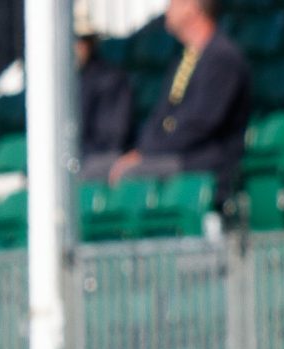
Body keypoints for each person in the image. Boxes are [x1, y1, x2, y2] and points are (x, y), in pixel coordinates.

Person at [81, 0, 252, 203]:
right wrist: (141, 151)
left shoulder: (223, 58)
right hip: (172, 154)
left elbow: (199, 125)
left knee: (131, 174)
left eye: (174, 3)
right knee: (94, 169)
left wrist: (147, 154)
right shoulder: (185, 59)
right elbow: (162, 116)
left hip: (201, 160)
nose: (167, 10)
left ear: (192, 7)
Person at [77, 9, 138, 160]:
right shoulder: (71, 82)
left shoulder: (110, 80)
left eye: (79, 41)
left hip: (97, 161)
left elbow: (112, 141)